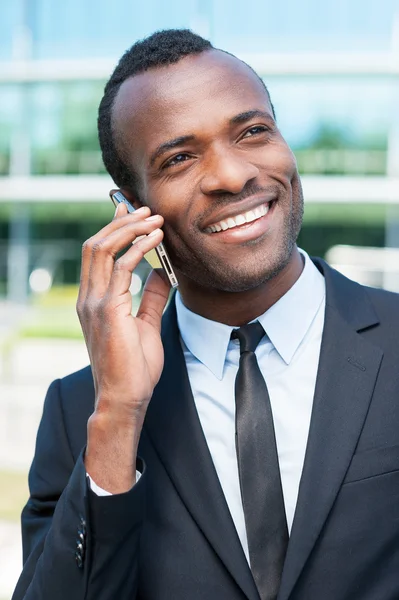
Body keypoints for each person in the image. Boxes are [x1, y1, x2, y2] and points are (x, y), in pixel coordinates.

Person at [12, 29, 399, 600]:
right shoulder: (82, 412)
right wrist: (119, 416)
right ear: (129, 206)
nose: (233, 175)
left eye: (253, 132)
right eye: (180, 158)